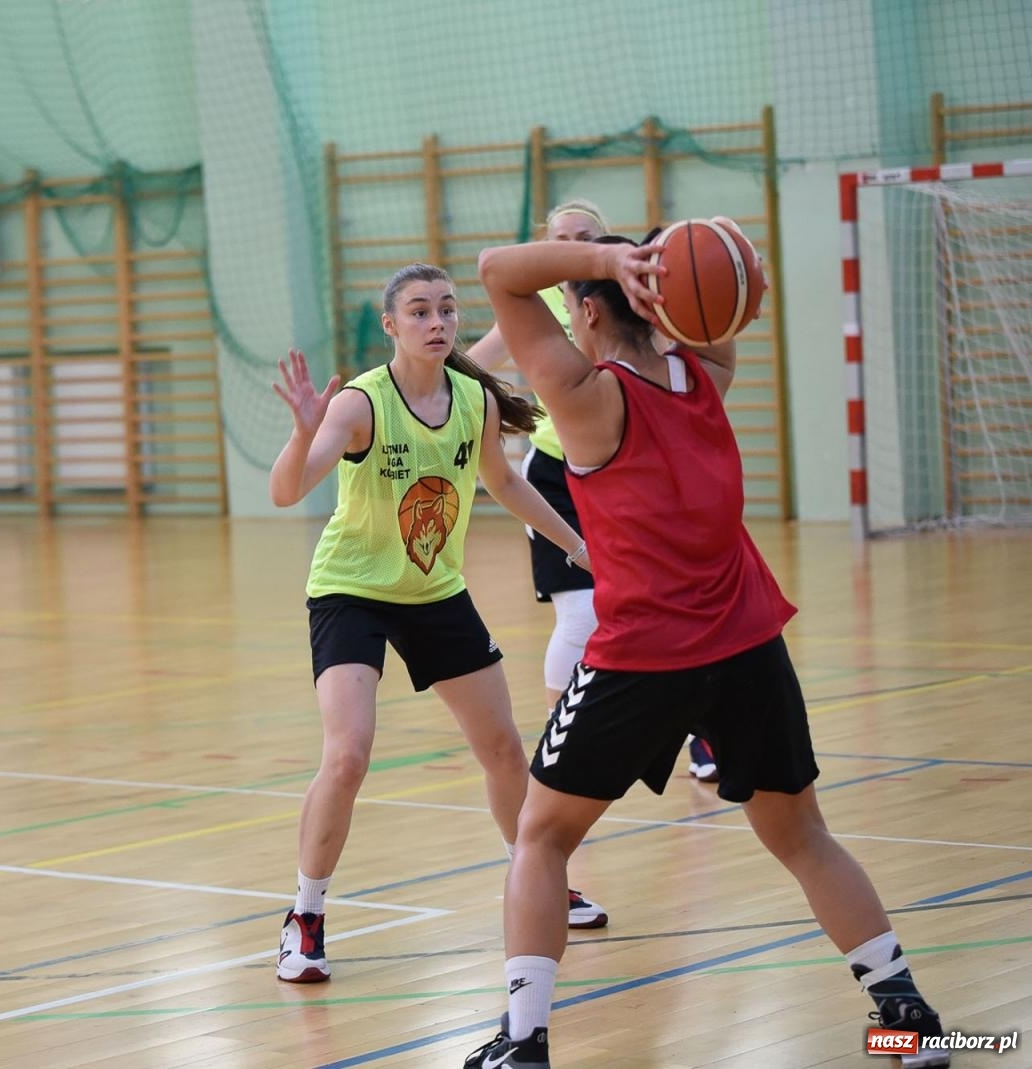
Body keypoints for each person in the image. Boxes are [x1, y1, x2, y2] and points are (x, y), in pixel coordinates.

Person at [463, 233, 947, 1067]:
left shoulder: (583, 396)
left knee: (540, 835)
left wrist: (607, 260)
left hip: (644, 653)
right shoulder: (703, 373)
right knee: (803, 837)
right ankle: (908, 1019)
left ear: (583, 311)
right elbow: (726, 294)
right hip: (749, 641)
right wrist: (661, 269)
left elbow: (494, 270)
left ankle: (522, 1042)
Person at [268, 262, 608, 985]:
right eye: (419, 311)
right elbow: (286, 489)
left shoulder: (473, 399)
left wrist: (575, 542)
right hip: (351, 589)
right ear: (391, 325)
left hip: (433, 588)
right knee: (349, 755)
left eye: (447, 310)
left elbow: (505, 481)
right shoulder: (360, 403)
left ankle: (540, 879)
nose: (437, 322)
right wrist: (303, 434)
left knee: (505, 751)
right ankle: (305, 914)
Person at [471, 199, 718, 786]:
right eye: (564, 238)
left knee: (657, 606)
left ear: (605, 241)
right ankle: (568, 737)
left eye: (586, 235)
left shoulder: (632, 303)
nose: (576, 243)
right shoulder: (539, 309)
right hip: (555, 478)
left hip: (627, 471)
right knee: (582, 614)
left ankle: (695, 727)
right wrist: (498, 409)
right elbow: (468, 367)